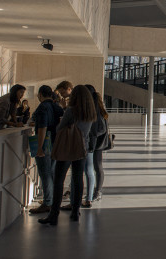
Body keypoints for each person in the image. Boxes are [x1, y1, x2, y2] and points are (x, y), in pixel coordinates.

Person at [38, 85, 96, 225]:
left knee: (59, 179)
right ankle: (75, 212)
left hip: (68, 148)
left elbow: (60, 128)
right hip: (82, 148)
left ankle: (54, 214)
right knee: (77, 179)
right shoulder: (90, 112)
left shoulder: (71, 111)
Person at [29, 86, 64, 214]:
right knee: (52, 173)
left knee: (45, 174)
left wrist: (39, 147)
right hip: (56, 143)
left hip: (45, 144)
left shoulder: (43, 107)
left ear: (40, 94)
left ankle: (47, 202)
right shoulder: (57, 107)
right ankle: (52, 200)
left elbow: (42, 127)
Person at [88, 85, 109, 202]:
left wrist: (91, 134)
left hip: (96, 143)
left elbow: (102, 128)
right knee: (95, 167)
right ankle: (96, 191)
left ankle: (97, 191)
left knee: (97, 166)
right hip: (96, 142)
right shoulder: (97, 107)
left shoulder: (96, 109)